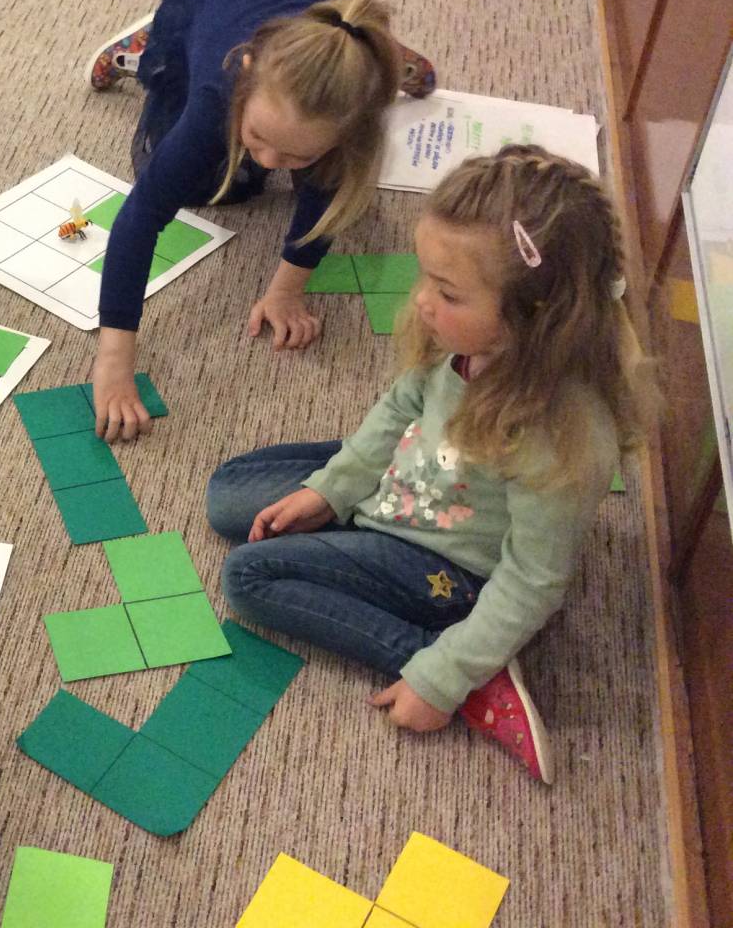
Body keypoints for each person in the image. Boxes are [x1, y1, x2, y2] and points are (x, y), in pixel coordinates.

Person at [204, 145, 652, 784]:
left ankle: (462, 669)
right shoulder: (463, 341)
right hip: (413, 480)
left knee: (249, 577)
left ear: (533, 316)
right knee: (227, 495)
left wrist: (440, 678)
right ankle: (354, 520)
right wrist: (332, 490)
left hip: (445, 566)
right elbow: (402, 407)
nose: (421, 301)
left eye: (447, 292)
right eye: (425, 277)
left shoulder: (559, 440)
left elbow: (533, 582)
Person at [86, 0, 437, 442]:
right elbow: (139, 219)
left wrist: (286, 289)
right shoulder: (218, 94)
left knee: (327, 179)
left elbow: (326, 204)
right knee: (202, 181)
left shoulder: (345, 137)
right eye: (258, 137)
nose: (269, 162)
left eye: (295, 154)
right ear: (245, 78)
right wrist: (115, 359)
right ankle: (146, 48)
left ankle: (371, 58)